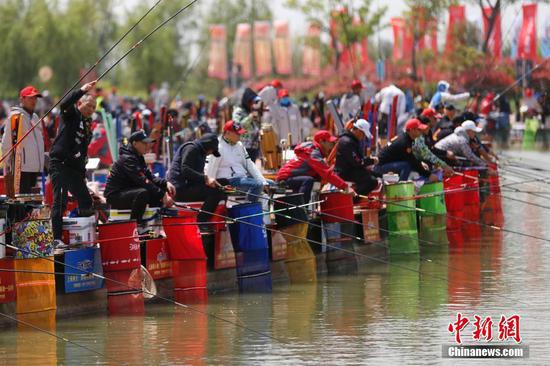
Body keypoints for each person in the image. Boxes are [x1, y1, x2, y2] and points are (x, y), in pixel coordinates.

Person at [49, 81, 98, 249]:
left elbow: (82, 152)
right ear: (80, 103)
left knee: (86, 200)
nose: (90, 109)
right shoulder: (70, 114)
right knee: (60, 200)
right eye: (88, 105)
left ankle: (85, 236)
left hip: (74, 169)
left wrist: (82, 174)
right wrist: (82, 89)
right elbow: (64, 103)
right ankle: (55, 238)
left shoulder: (86, 124)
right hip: (60, 164)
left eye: (93, 108)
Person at [104, 130, 175, 228]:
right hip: (115, 195)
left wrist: (165, 183)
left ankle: (154, 225)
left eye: (148, 143)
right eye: (144, 143)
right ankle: (136, 226)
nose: (147, 145)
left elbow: (150, 177)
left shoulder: (138, 157)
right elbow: (142, 180)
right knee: (143, 193)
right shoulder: (127, 158)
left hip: (127, 191)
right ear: (135, 143)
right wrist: (162, 195)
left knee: (157, 190)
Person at [168, 133, 225, 232]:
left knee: (224, 183)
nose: (211, 153)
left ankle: (220, 216)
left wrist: (206, 180)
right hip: (180, 189)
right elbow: (185, 170)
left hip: (190, 185)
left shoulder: (200, 152)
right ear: (207, 146)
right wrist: (205, 179)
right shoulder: (191, 148)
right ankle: (202, 221)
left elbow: (196, 176)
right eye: (212, 150)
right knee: (215, 192)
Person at [277, 130, 353, 203]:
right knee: (308, 180)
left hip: (290, 177)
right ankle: (302, 210)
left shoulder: (313, 151)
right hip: (285, 179)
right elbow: (327, 173)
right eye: (330, 142)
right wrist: (345, 187)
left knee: (314, 179)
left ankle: (302, 208)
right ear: (321, 141)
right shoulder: (313, 153)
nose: (332, 145)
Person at [205, 120, 267, 202]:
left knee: (269, 183)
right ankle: (249, 207)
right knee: (258, 185)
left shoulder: (239, 145)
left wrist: (263, 181)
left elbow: (250, 164)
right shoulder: (218, 147)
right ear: (228, 133)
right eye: (237, 134)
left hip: (243, 179)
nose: (240, 135)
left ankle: (257, 208)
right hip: (229, 182)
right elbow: (210, 172)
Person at [2, 86, 46, 196]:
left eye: (35, 98)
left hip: (35, 168)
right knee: (20, 204)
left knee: (33, 205)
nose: (34, 101)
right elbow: (7, 143)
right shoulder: (15, 117)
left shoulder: (35, 117)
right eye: (30, 98)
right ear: (22, 99)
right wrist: (9, 166)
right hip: (21, 170)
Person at [374, 119, 439, 182]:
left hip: (387, 164)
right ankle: (401, 188)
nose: (421, 131)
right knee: (407, 165)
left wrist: (421, 163)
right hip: (380, 167)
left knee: (410, 165)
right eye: (419, 129)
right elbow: (412, 161)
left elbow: (412, 157)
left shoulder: (408, 139)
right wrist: (429, 175)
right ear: (411, 130)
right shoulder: (404, 142)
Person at [334, 119, 379, 196]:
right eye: (363, 134)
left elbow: (357, 159)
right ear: (358, 130)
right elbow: (357, 162)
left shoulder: (351, 140)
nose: (364, 137)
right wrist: (371, 161)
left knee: (377, 175)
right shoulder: (347, 142)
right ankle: (353, 199)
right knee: (372, 181)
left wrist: (369, 161)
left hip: (350, 169)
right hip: (344, 172)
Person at [415, 108, 454, 176]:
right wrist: (443, 165)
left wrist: (444, 155)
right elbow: (426, 154)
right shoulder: (418, 136)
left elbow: (431, 149)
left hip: (425, 160)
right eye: (435, 119)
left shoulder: (429, 131)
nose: (437, 121)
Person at [232, 87, 263, 162]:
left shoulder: (252, 111)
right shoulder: (238, 111)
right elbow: (237, 126)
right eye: (252, 102)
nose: (253, 104)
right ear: (247, 101)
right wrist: (250, 117)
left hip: (254, 146)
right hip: (243, 147)